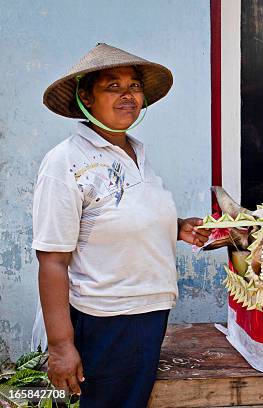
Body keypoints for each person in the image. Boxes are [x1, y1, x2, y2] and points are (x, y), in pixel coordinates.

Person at [34, 43, 211, 407]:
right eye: (112, 86)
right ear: (86, 97)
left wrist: (174, 226)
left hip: (148, 314)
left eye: (133, 86)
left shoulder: (136, 152)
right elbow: (52, 259)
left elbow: (118, 216)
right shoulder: (66, 161)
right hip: (108, 320)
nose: (127, 95)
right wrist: (62, 346)